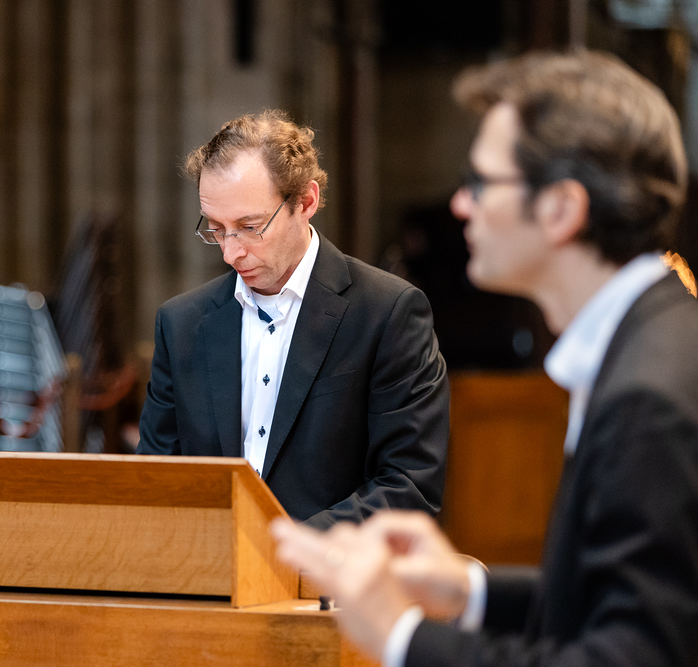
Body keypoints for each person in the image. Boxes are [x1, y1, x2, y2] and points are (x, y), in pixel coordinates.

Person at [272, 50, 698, 666]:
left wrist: (401, 637)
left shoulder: (647, 397)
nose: (460, 205)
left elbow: (630, 657)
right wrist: (467, 590)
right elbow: (621, 601)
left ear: (561, 209)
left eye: (480, 182)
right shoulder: (652, 340)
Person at [136, 110, 450, 529]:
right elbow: (155, 480)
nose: (231, 253)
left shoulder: (388, 312)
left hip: (330, 566)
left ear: (306, 202)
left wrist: (284, 548)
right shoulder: (180, 324)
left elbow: (409, 486)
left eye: (249, 226)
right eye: (217, 229)